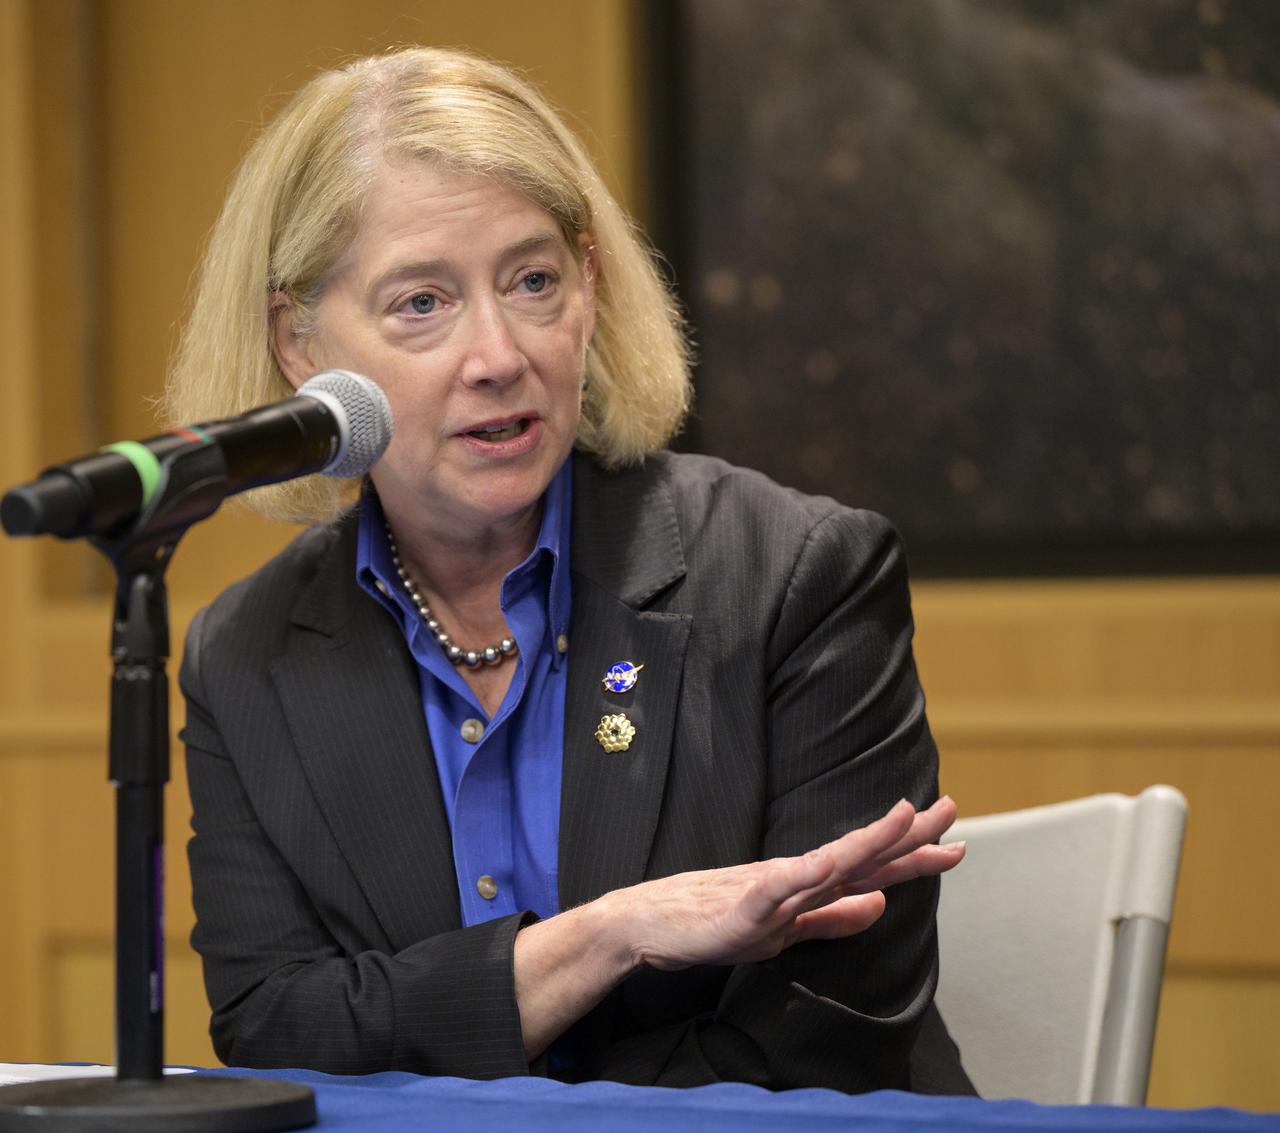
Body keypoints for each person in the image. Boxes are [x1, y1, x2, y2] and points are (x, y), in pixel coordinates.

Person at [169, 46, 973, 1094]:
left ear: (589, 288)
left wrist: (467, 1033)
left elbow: (828, 1029)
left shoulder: (792, 576)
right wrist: (606, 935)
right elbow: (278, 1022)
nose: (498, 352)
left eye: (532, 279)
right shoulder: (246, 653)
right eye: (422, 302)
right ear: (300, 343)